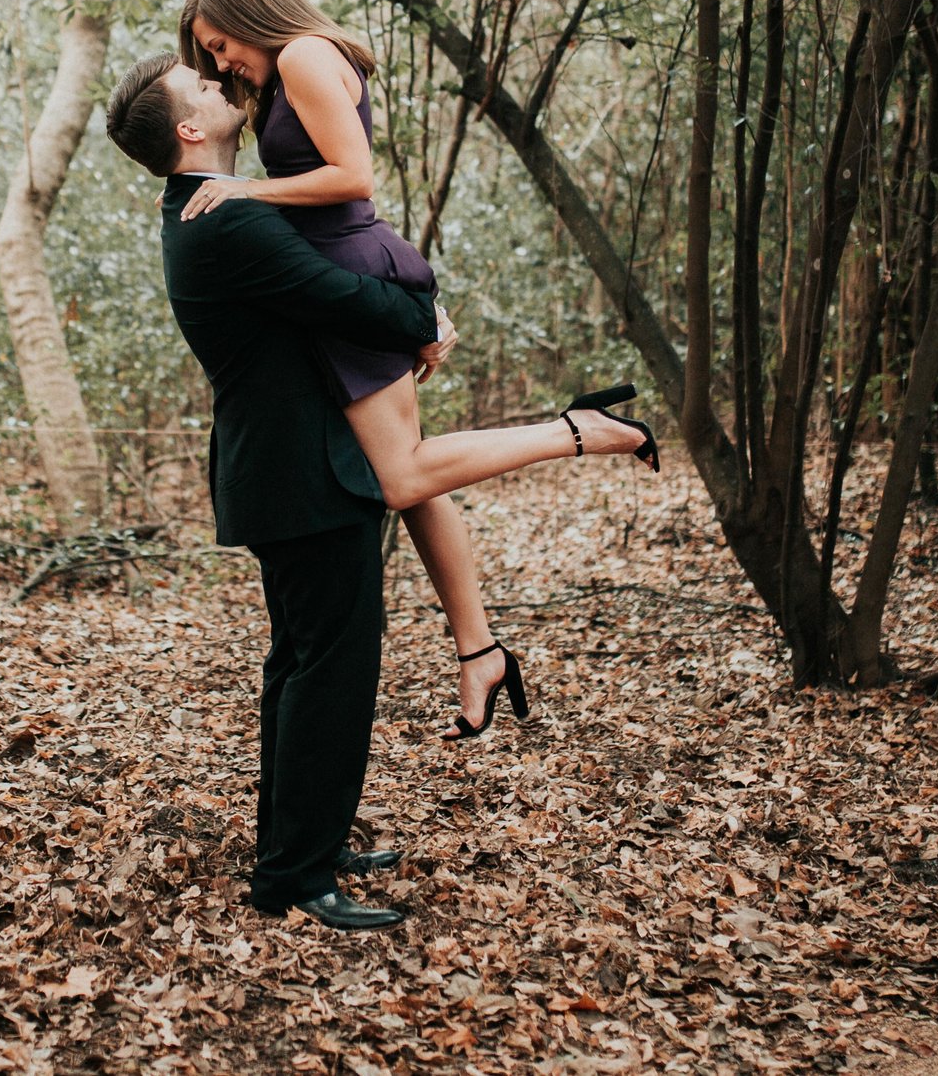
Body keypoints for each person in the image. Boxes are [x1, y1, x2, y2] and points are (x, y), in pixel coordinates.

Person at [104, 52, 652, 928]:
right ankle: (296, 878)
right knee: (331, 671)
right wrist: (425, 320)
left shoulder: (200, 215)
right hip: (304, 477)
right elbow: (343, 297)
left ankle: (302, 845)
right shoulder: (226, 223)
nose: (217, 81)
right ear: (189, 130)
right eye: (203, 87)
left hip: (287, 473)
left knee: (299, 666)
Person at [176, 0, 657, 737]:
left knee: (401, 475)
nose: (222, 62)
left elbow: (353, 177)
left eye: (221, 42)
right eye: (210, 56)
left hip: (352, 275)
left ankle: (578, 432)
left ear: (254, 11)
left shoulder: (300, 54)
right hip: (341, 284)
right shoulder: (289, 68)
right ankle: (479, 648)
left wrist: (248, 188)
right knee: (409, 469)